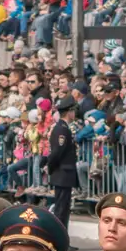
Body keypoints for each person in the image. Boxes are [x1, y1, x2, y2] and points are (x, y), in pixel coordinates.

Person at [45, 98, 78, 229]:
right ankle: (60, 234)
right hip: (63, 173)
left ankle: (61, 234)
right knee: (61, 209)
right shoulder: (62, 129)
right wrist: (51, 167)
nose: (74, 113)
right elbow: (57, 152)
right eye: (73, 111)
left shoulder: (62, 128)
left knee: (63, 208)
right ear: (69, 112)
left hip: (63, 174)